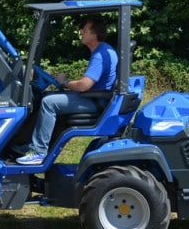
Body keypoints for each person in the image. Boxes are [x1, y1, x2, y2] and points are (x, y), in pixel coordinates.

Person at [16, 16, 117, 165]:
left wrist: (65, 82)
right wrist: (66, 83)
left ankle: (38, 152)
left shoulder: (100, 55)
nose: (81, 31)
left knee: (48, 102)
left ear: (94, 35)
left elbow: (84, 85)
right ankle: (33, 145)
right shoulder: (104, 50)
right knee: (48, 96)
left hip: (95, 101)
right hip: (95, 97)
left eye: (85, 30)